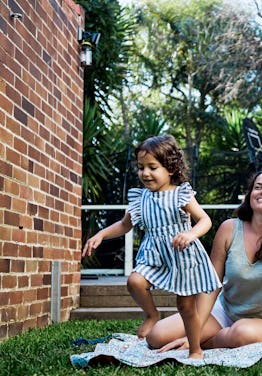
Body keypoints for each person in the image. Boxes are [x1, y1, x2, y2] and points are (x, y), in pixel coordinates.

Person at [81, 135, 222, 359]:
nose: (145, 173)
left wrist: (190, 233)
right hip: (153, 255)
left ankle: (195, 350)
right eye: (141, 167)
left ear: (171, 169)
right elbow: (124, 225)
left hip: (181, 256)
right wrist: (101, 234)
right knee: (135, 281)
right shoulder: (140, 199)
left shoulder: (181, 194)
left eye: (152, 167)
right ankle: (152, 315)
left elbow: (205, 220)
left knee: (186, 308)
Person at [147, 168, 262, 351]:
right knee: (157, 336)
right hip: (226, 312)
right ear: (250, 195)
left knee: (241, 333)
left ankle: (210, 343)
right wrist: (194, 332)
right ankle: (212, 338)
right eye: (258, 187)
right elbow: (212, 285)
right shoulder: (229, 229)